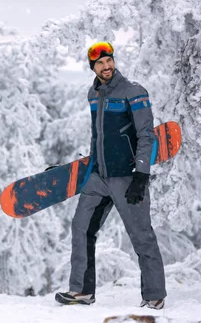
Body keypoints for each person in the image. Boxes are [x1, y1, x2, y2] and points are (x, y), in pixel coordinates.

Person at [55, 42, 167, 309]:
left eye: (109, 61)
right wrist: (91, 165)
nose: (106, 66)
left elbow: (146, 135)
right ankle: (82, 291)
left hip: (128, 177)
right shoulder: (93, 95)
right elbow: (99, 136)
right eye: (100, 63)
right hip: (99, 176)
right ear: (92, 67)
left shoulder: (134, 92)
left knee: (141, 235)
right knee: (81, 228)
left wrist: (141, 175)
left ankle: (154, 295)